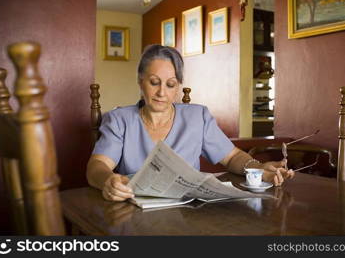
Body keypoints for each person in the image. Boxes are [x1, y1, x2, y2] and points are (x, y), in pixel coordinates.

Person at [86, 45, 294, 202]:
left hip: (187, 212)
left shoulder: (198, 117)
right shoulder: (120, 120)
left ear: (178, 87)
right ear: (141, 81)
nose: (161, 92)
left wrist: (258, 168)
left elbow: (232, 157)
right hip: (133, 213)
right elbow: (97, 166)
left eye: (170, 84)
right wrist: (107, 181)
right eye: (154, 82)